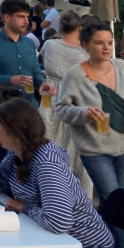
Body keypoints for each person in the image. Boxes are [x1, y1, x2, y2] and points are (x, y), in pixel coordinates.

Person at [55, 21, 124, 248]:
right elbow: (61, 109)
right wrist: (84, 112)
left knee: (119, 208)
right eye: (99, 43)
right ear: (85, 45)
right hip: (94, 150)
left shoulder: (122, 67)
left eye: (109, 42)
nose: (106, 47)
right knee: (116, 203)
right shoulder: (75, 75)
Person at [0, 98, 115, 248]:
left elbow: (59, 222)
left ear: (15, 132)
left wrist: (25, 207)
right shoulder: (16, 153)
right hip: (53, 241)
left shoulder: (46, 163)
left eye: (0, 128)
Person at [38, 11, 93, 196]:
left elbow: (42, 59)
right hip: (78, 98)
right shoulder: (86, 51)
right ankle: (80, 194)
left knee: (49, 141)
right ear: (79, 28)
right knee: (76, 146)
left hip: (52, 98)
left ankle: (51, 187)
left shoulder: (50, 45)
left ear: (61, 27)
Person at [0, 0, 53, 105]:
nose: (26, 21)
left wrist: (42, 83)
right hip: (3, 107)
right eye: (21, 17)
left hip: (29, 105)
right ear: (7, 17)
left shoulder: (29, 43)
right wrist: (10, 79)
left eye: (27, 17)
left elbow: (35, 72)